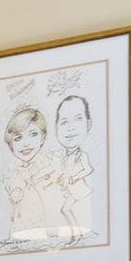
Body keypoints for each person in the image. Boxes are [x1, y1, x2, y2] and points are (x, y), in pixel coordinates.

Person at [0, 105, 58, 248]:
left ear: (43, 137)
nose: (25, 143)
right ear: (11, 144)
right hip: (22, 215)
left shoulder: (47, 165)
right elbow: (14, 193)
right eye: (18, 138)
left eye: (33, 134)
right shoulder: (14, 171)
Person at [52, 94, 98, 243]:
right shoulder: (61, 157)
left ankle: (77, 234)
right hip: (71, 188)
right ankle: (76, 234)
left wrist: (74, 177)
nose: (70, 127)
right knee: (64, 209)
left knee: (66, 209)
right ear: (56, 128)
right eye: (64, 122)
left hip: (79, 188)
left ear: (88, 124)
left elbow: (88, 170)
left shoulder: (82, 155)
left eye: (78, 119)